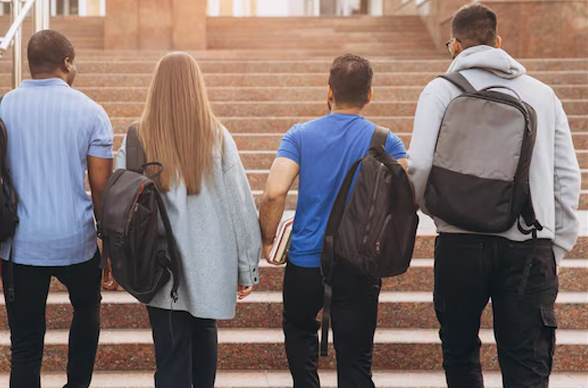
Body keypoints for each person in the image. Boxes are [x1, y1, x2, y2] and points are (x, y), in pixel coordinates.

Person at [407, 4, 581, 388]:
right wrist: (556, 245)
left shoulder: (439, 90)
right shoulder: (543, 93)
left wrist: (437, 213)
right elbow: (568, 176)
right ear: (498, 41)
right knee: (527, 363)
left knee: (460, 351)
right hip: (528, 244)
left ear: (454, 46)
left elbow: (417, 165)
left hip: (459, 244)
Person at [258, 54, 408, 388]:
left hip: (306, 261)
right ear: (369, 95)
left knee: (299, 334)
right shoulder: (386, 142)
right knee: (356, 361)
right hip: (360, 262)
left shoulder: (299, 135)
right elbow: (405, 199)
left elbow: (273, 193)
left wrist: (268, 241)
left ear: (329, 92)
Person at [114, 51, 261, 388]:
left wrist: (112, 260)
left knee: (170, 355)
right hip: (210, 267)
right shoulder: (217, 136)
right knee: (204, 342)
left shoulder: (137, 138)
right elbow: (241, 206)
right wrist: (246, 267)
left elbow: (118, 206)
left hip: (157, 267)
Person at [0, 30, 114, 388]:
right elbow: (101, 191)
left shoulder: (0, 107)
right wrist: (107, 248)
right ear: (66, 63)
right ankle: (77, 384)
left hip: (20, 244)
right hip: (74, 240)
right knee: (87, 309)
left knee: (26, 343)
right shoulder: (91, 111)